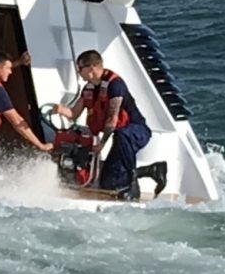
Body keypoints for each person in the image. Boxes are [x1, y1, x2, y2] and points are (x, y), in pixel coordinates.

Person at [53, 50, 167, 199]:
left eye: (80, 69)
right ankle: (153, 170)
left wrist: (102, 144)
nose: (78, 73)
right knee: (108, 181)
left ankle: (131, 187)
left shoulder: (115, 85)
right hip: (119, 139)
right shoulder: (88, 89)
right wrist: (59, 109)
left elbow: (112, 120)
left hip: (136, 132)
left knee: (121, 134)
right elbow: (74, 113)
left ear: (92, 68)